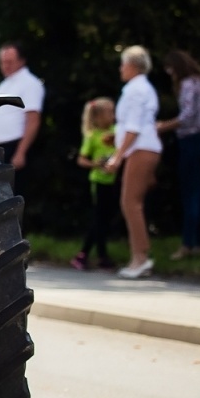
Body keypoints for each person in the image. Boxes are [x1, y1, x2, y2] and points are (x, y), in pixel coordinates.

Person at [156, 49, 200, 260]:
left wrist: (164, 126)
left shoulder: (188, 85)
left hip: (189, 139)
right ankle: (199, 242)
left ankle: (187, 243)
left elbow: (187, 114)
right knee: (199, 193)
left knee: (190, 194)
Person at [106, 45, 161, 278]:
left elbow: (134, 127)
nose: (121, 69)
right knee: (132, 202)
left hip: (140, 149)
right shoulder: (142, 88)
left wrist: (117, 156)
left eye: (123, 64)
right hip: (143, 148)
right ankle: (139, 256)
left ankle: (140, 258)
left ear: (132, 66)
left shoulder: (135, 90)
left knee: (130, 202)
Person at [0, 42, 45, 173]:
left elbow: (33, 119)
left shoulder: (29, 83)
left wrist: (21, 152)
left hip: (14, 148)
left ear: (21, 61)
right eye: (3, 62)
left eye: (10, 62)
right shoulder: (3, 85)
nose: (6, 66)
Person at [73, 97, 118, 271]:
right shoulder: (92, 136)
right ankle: (99, 255)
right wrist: (96, 164)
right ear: (98, 116)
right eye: (110, 113)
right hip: (99, 181)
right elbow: (82, 159)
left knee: (104, 219)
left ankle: (87, 254)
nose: (113, 116)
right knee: (100, 218)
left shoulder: (116, 131)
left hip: (114, 180)